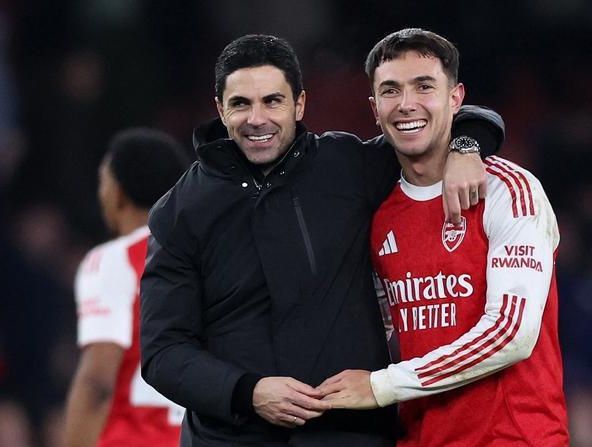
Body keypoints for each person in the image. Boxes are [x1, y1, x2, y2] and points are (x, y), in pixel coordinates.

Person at [140, 34, 505, 447]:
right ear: (221, 109)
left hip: (349, 435)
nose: (257, 119)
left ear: (299, 104)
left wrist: (465, 148)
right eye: (241, 104)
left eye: (273, 101)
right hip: (230, 439)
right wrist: (248, 392)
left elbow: (430, 124)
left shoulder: (346, 166)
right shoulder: (179, 212)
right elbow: (163, 353)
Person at [317, 28, 569, 446]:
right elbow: (377, 327)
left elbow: (511, 334)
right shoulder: (378, 213)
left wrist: (381, 386)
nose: (406, 104)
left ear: (456, 98)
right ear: (374, 109)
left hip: (512, 438)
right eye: (391, 90)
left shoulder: (509, 190)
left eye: (424, 86)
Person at [63, 128, 190, 447]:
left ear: (118, 192)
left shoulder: (114, 260)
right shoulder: (210, 261)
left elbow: (97, 383)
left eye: (103, 181)